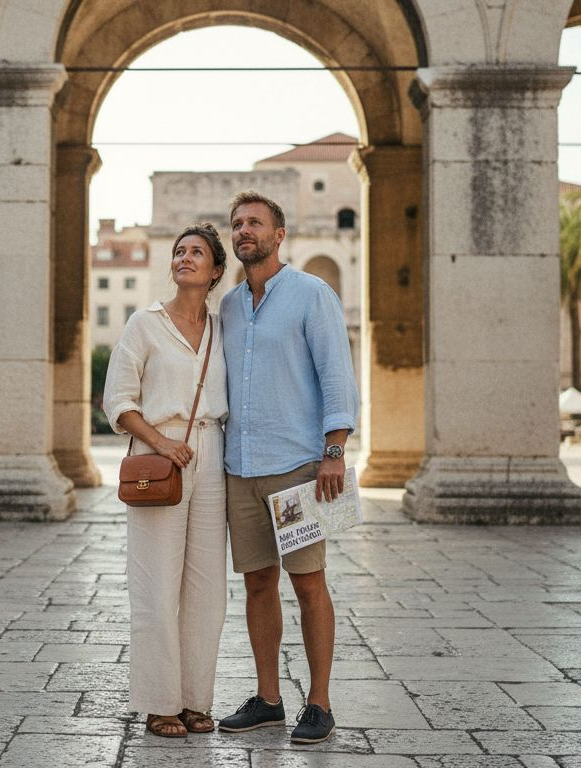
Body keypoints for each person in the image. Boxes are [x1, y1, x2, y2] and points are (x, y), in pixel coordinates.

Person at [215, 190, 358, 744]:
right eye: (237, 224)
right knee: (256, 584)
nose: (244, 230)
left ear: (279, 235)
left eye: (255, 222)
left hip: (300, 467)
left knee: (309, 583)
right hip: (241, 467)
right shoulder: (227, 305)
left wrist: (335, 452)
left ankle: (319, 702)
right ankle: (269, 698)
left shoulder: (311, 294)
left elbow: (336, 376)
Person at [102, 223, 230, 738]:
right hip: (161, 459)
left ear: (216, 270)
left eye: (196, 252)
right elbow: (118, 402)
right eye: (179, 251)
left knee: (206, 589)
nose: (184, 258)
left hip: (214, 454)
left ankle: (196, 700)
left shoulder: (225, 329)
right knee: (156, 584)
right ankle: (160, 703)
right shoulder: (144, 324)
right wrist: (162, 443)